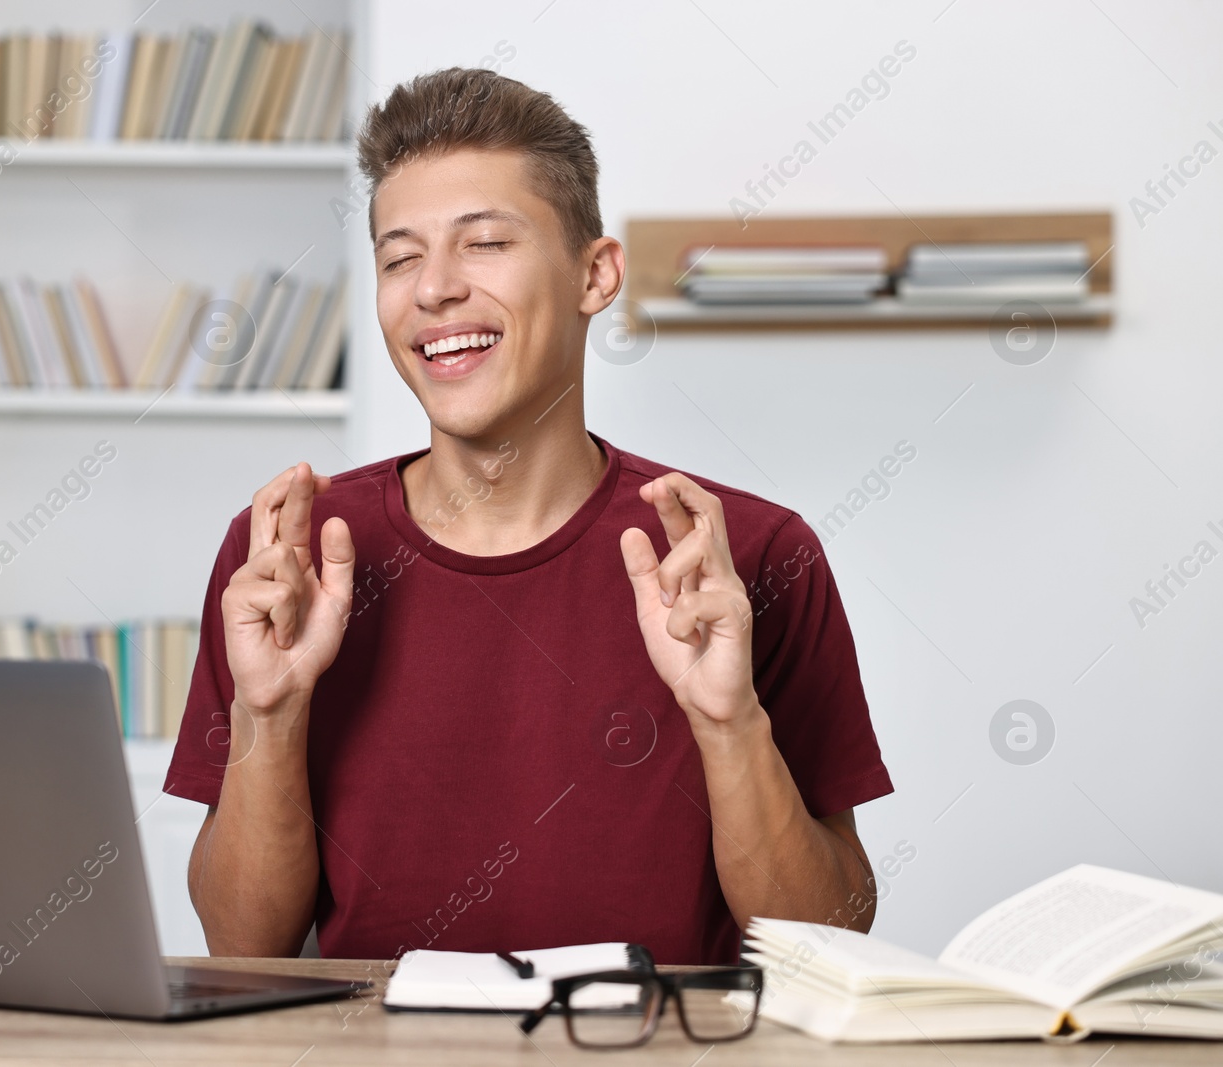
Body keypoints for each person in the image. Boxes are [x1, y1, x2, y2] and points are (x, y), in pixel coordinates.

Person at [164, 67, 892, 964]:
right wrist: (269, 714)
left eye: (483, 244)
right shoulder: (286, 555)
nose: (433, 289)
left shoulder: (745, 555)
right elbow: (242, 943)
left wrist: (729, 723)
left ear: (596, 275)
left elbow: (832, 939)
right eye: (399, 258)